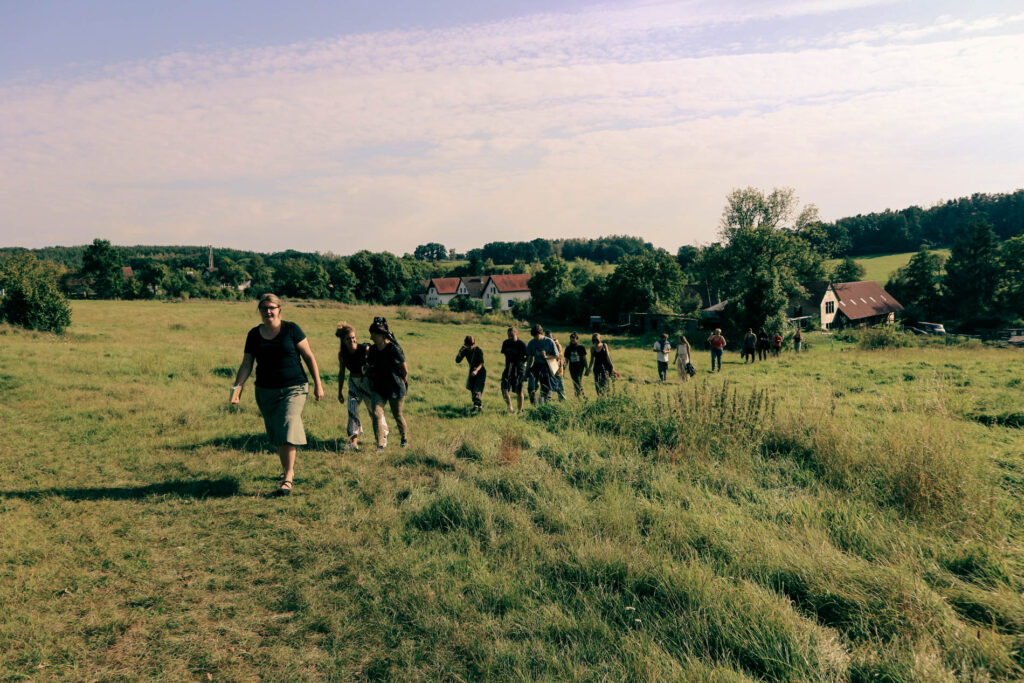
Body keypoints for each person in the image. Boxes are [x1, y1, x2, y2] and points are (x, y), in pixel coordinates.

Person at [231, 293, 324, 496]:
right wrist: (237, 389)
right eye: (264, 308)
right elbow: (247, 363)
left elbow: (309, 357)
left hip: (295, 387)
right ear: (260, 311)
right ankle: (286, 471)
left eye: (272, 307)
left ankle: (288, 477)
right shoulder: (254, 335)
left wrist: (318, 384)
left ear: (279, 309)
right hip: (265, 391)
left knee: (287, 422)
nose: (268, 311)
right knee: (278, 434)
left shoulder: (291, 330)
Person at [336, 322, 386, 451]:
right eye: (348, 338)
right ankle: (354, 443)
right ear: (343, 341)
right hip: (353, 382)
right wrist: (340, 391)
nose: (352, 340)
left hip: (367, 382)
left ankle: (382, 437)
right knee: (352, 410)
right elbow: (341, 373)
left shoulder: (364, 349)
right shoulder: (342, 355)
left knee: (374, 412)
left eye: (353, 337)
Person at [367, 319, 409, 450]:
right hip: (379, 387)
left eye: (373, 334)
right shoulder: (373, 350)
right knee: (376, 414)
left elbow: (405, 370)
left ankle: (404, 439)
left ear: (381, 335)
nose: (371, 337)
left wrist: (401, 383)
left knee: (397, 414)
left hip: (395, 387)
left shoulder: (394, 349)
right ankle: (380, 444)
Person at [525, 324, 559, 404]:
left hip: (546, 366)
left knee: (545, 389)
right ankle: (534, 405)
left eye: (536, 336)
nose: (535, 338)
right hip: (536, 365)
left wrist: (546, 356)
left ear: (541, 333)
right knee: (531, 387)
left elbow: (557, 356)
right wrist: (527, 370)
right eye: (534, 336)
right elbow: (530, 358)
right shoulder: (532, 342)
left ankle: (545, 406)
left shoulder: (549, 342)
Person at [499, 327, 528, 413]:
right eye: (508, 336)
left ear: (516, 334)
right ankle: (510, 407)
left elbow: (528, 356)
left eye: (512, 335)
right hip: (508, 368)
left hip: (519, 369)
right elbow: (505, 354)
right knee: (504, 388)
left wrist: (522, 364)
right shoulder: (505, 343)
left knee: (519, 390)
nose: (510, 337)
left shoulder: (522, 344)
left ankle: (520, 410)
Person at [455, 335, 486, 413]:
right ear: (466, 344)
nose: (471, 346)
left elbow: (481, 363)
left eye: (472, 344)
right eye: (469, 345)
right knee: (472, 389)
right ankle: (478, 408)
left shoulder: (478, 350)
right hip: (472, 371)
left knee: (477, 389)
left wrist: (476, 371)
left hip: (480, 371)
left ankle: (476, 408)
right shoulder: (464, 350)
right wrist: (460, 351)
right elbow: (458, 360)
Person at [564, 332, 589, 398]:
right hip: (572, 367)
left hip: (580, 367)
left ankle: (579, 395)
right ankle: (578, 395)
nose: (572, 340)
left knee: (578, 381)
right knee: (574, 382)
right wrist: (564, 367)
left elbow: (584, 358)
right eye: (571, 339)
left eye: (574, 339)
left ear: (577, 339)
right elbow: (566, 359)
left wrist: (587, 368)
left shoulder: (581, 348)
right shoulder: (568, 348)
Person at [546, 330, 567, 400]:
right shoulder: (546, 344)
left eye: (549, 337)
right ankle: (547, 401)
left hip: (557, 369)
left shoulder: (557, 344)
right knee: (548, 386)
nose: (548, 338)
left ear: (552, 337)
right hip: (549, 369)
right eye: (547, 337)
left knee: (560, 387)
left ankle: (563, 401)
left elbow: (559, 356)